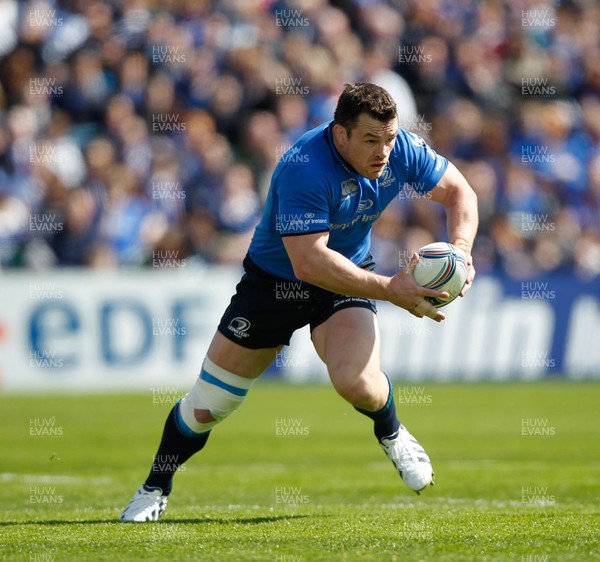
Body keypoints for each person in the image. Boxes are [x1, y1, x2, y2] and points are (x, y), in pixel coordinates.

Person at [120, 83, 478, 522]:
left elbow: (461, 192)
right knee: (208, 406)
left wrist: (461, 249)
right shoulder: (303, 167)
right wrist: (389, 289)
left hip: (345, 274)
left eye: (388, 138)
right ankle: (155, 487)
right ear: (340, 134)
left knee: (359, 385)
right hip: (275, 282)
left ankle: (392, 432)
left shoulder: (401, 148)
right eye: (370, 140)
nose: (383, 152)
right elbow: (308, 262)